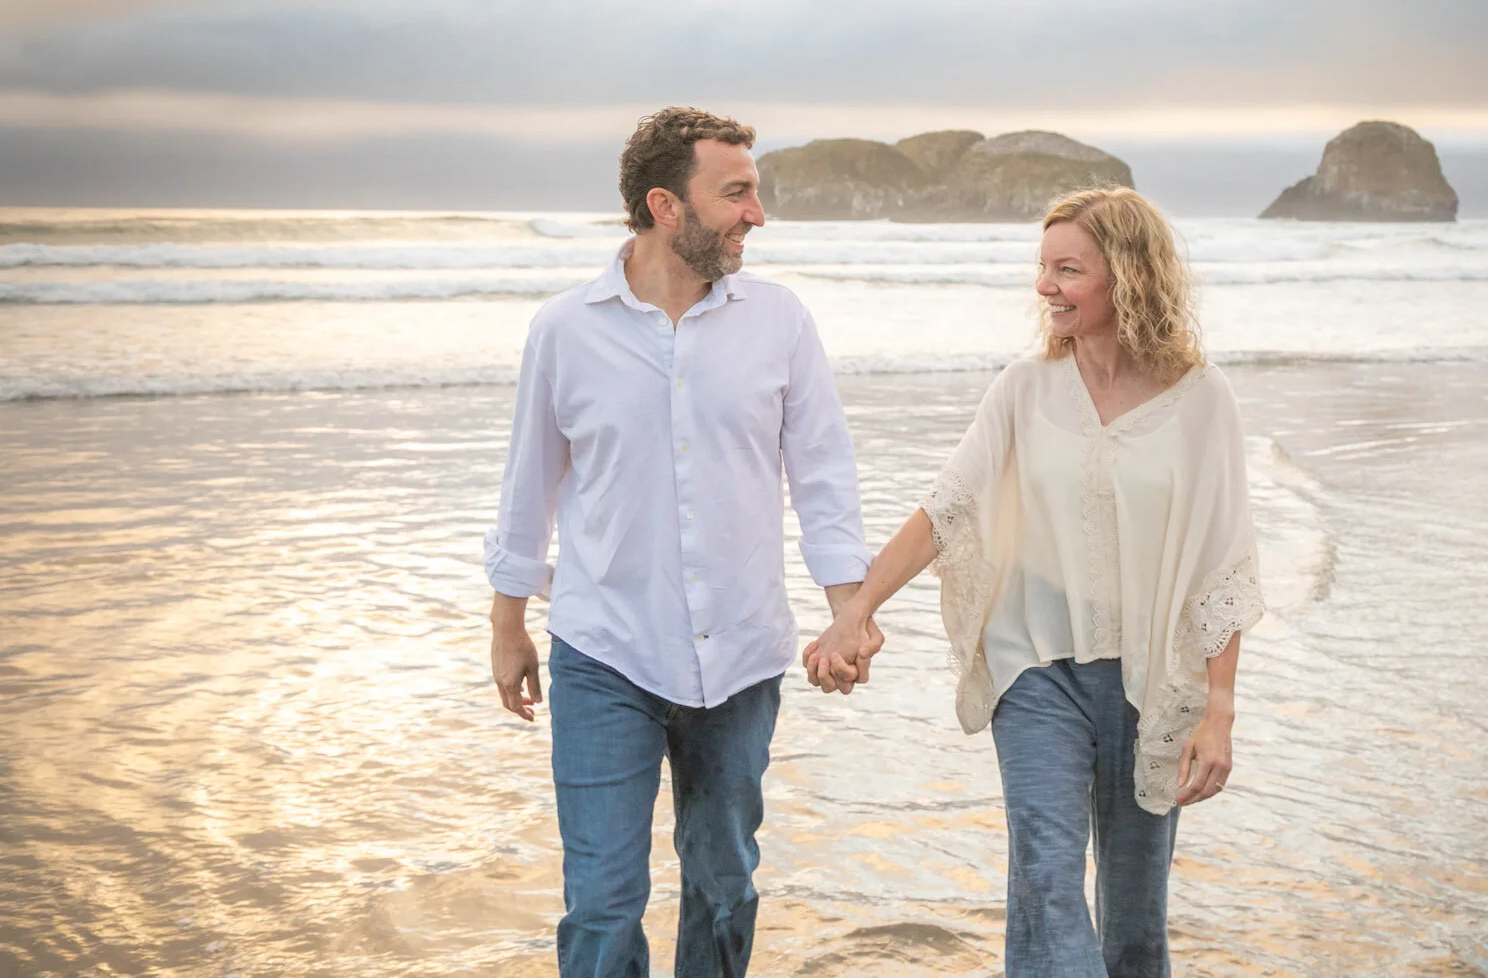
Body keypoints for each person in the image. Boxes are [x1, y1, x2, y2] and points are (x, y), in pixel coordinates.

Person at [805, 186, 1263, 978]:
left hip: (1149, 681)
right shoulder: (1025, 388)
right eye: (1043, 268)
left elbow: (1225, 563)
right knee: (1048, 878)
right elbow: (947, 507)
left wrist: (1219, 708)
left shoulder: (1200, 399)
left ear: (1127, 275)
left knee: (1133, 915)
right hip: (1037, 673)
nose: (1045, 286)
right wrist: (856, 612)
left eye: (1068, 269)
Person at [485, 107, 882, 978]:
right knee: (601, 901)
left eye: (756, 191)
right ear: (666, 205)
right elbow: (528, 485)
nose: (757, 214)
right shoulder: (565, 329)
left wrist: (847, 614)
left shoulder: (780, 321)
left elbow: (823, 477)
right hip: (603, 648)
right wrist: (507, 622)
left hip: (741, 654)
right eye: (736, 192)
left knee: (725, 883)